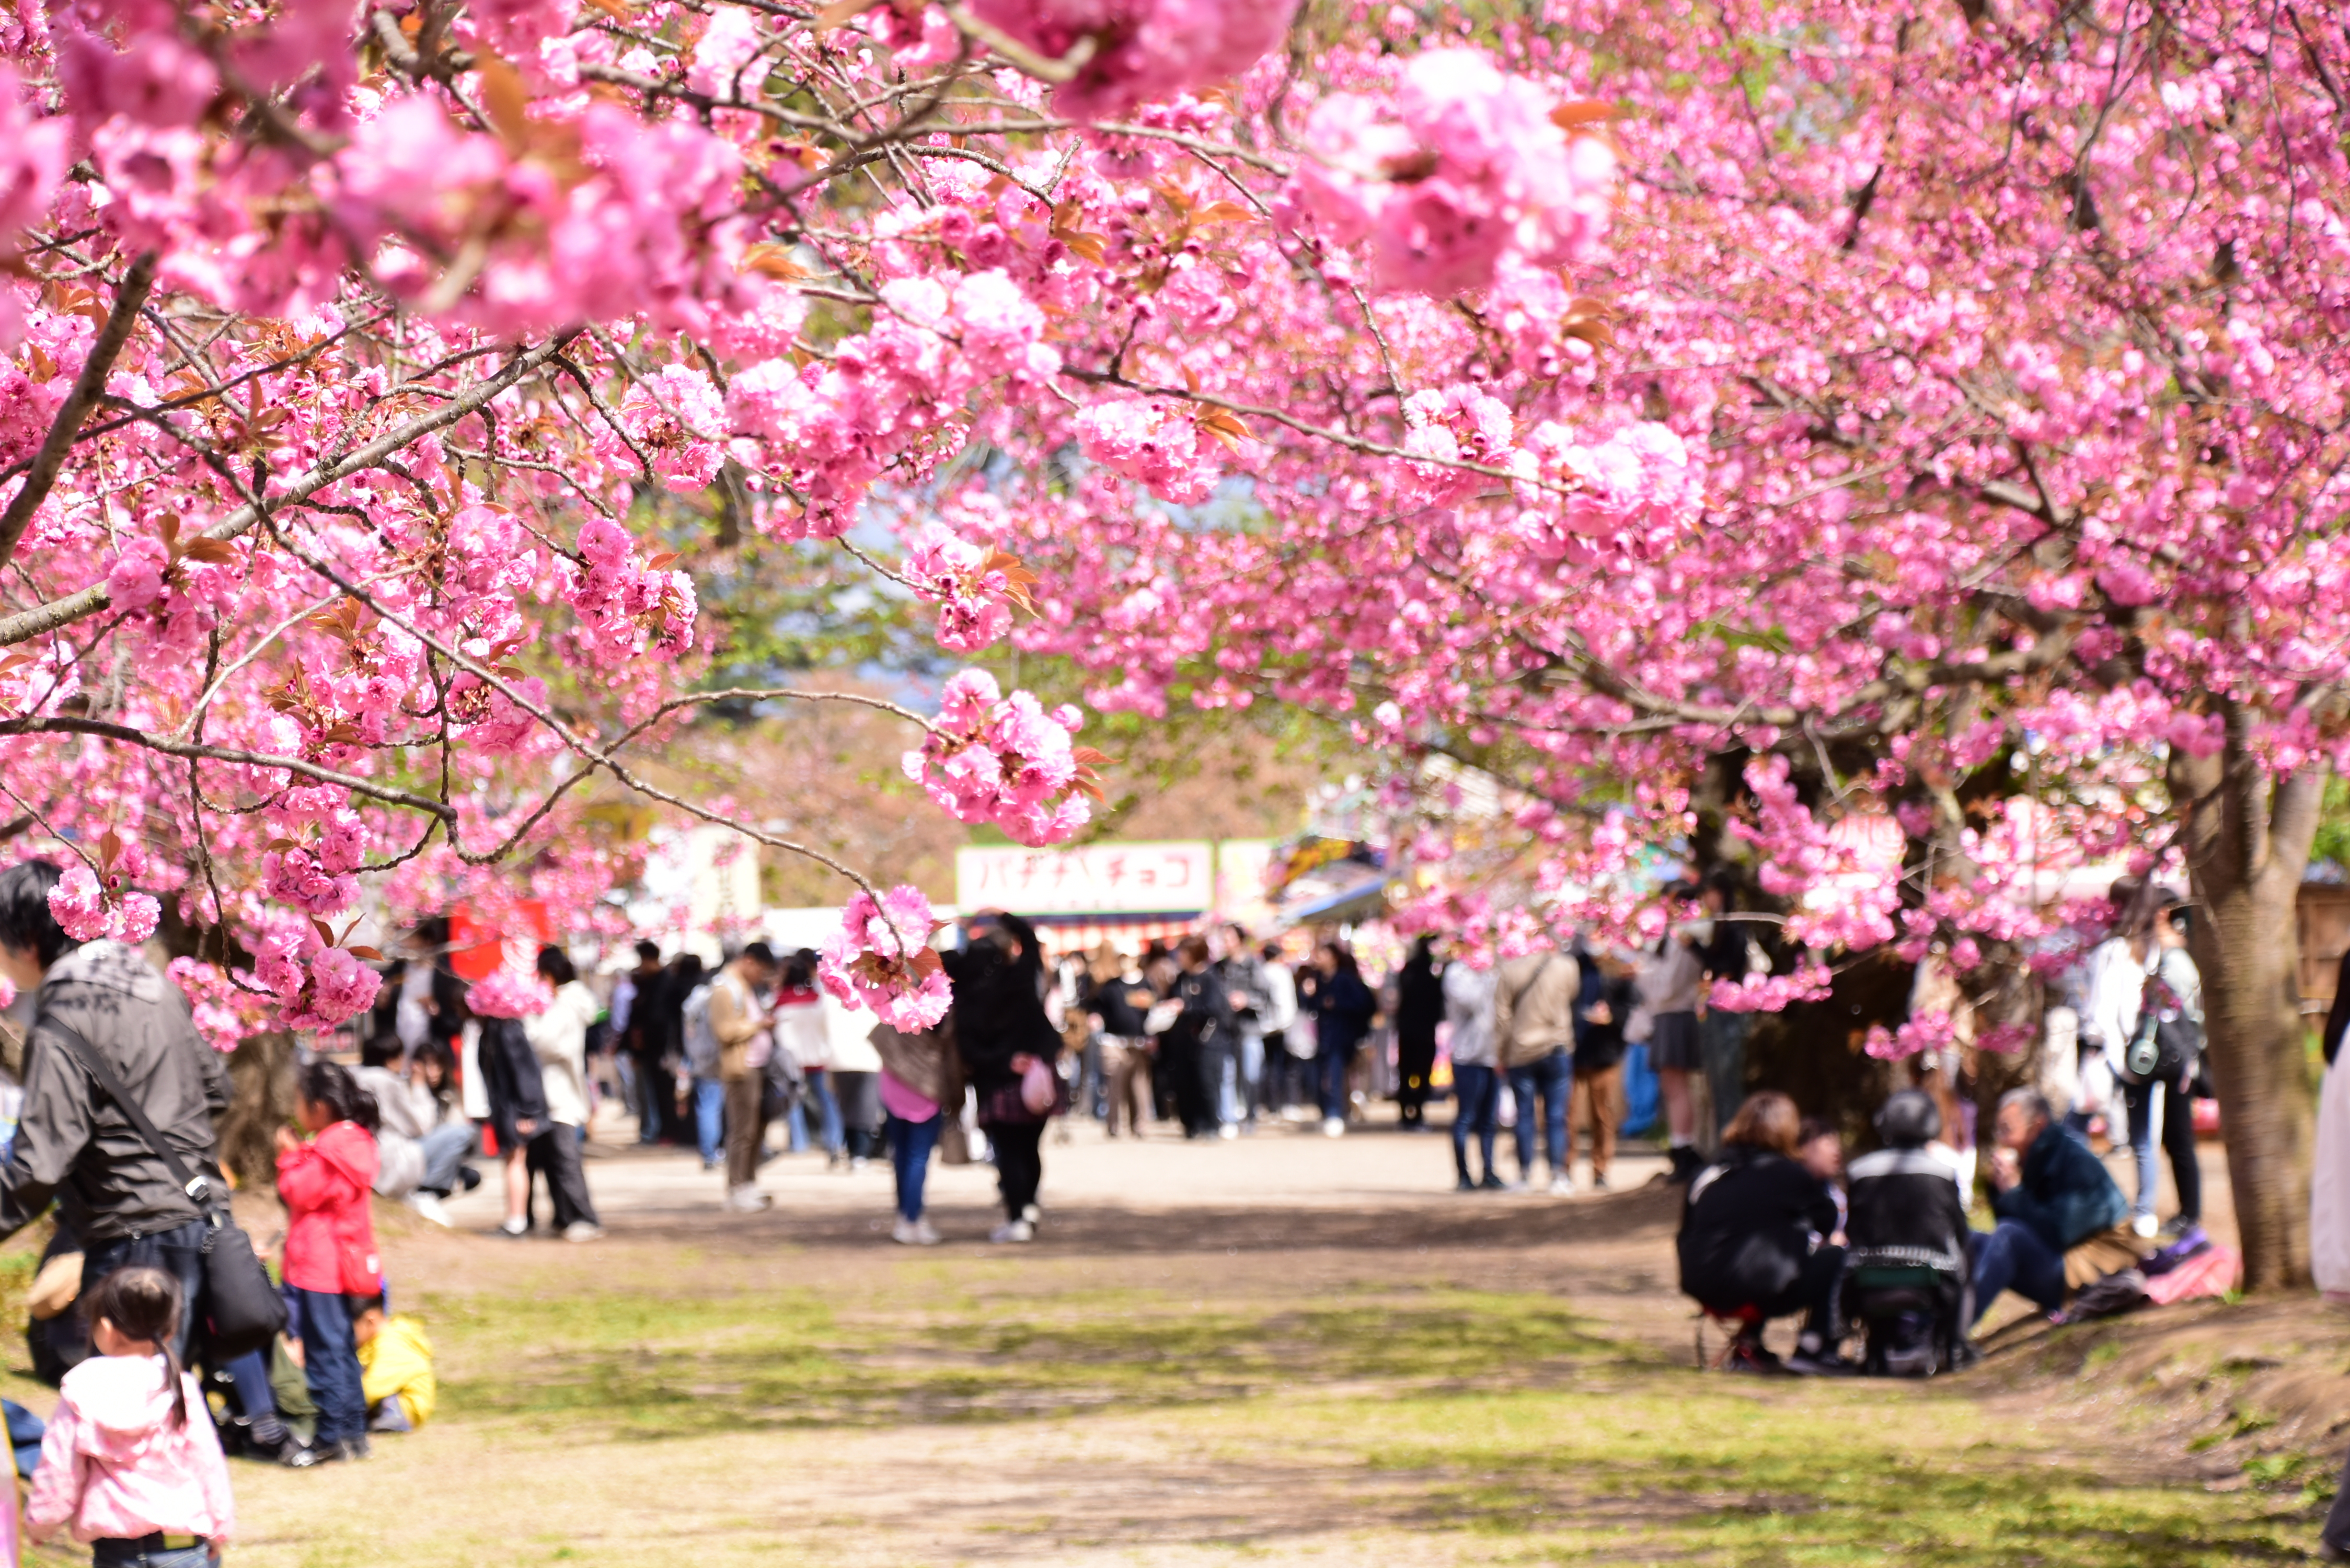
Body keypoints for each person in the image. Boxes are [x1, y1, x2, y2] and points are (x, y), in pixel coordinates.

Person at [0, 861, 232, 1362]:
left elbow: (40, 1163)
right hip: (195, 1217)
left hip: (131, 1238)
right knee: (164, 1401)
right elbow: (217, 1090)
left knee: (123, 1416)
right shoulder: (156, 987)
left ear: (24, 942)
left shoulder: (63, 1016)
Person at [26, 1267, 234, 1565]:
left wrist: (41, 1522)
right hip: (184, 1544)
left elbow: (60, 1469)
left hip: (116, 1550)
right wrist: (220, 1528)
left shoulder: (80, 1389)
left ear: (105, 1328)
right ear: (171, 1330)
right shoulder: (179, 1386)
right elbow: (207, 1463)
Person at [1676, 1091, 1846, 1376]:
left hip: (1703, 1286)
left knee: (1760, 1249)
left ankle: (1749, 1344)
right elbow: (1829, 1223)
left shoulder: (1709, 1173)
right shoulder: (1788, 1174)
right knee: (1835, 1257)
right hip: (1758, 1291)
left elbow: (1686, 1231)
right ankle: (1813, 1346)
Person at [273, 1061, 382, 1466]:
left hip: (320, 1265)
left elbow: (298, 1191)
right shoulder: (352, 1143)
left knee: (323, 1352)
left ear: (318, 1107)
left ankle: (330, 1436)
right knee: (341, 1349)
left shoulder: (328, 1149)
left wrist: (288, 1156)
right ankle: (354, 1433)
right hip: (345, 1262)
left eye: (299, 1102)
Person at [1967, 1088, 2132, 1327]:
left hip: (2085, 1276)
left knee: (2009, 1235)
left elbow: (2058, 1234)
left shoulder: (2076, 1161)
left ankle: (1952, 1338)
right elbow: (2014, 1223)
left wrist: (2015, 1193)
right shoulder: (2034, 1159)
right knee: (1971, 1240)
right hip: (2060, 1266)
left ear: (2038, 1127)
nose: (2002, 1140)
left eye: (2008, 1130)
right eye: (1999, 1130)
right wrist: (1998, 1189)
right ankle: (1931, 1327)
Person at [2092, 893, 2204, 1239]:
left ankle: (2189, 1213)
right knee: (2167, 1138)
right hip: (2171, 1058)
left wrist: (2189, 1057)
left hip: (2179, 1058)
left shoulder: (2174, 960)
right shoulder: (2157, 954)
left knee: (2179, 1139)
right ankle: (2181, 1212)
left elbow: (2185, 1015)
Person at [950, 912, 1061, 1242]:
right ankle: (1028, 1206)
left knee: (1009, 1153)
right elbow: (1028, 941)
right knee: (1030, 1148)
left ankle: (1018, 1217)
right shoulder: (1021, 980)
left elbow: (969, 1050)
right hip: (1038, 1077)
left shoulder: (967, 1000)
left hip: (997, 1082)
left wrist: (1004, 1062)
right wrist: (1001, 915)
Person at [1845, 1090, 1974, 1371]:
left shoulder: (1859, 1171)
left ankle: (1872, 1350)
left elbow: (1852, 1229)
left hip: (1867, 1279)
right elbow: (1960, 1231)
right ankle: (1955, 1346)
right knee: (1965, 1258)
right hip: (1932, 1280)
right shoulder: (1943, 1173)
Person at [523, 946, 604, 1241]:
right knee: (546, 1158)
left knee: (565, 1158)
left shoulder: (567, 1002)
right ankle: (562, 1216)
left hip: (559, 1094)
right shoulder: (571, 1000)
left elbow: (545, 1041)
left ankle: (584, 1218)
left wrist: (528, 1021)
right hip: (551, 1092)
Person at [1492, 943, 1579, 1194]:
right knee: (1556, 1116)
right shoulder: (1567, 966)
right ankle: (1558, 1175)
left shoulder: (1509, 971)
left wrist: (1501, 1054)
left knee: (1525, 1115)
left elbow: (1501, 1017)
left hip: (1521, 1050)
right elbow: (1572, 996)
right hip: (1557, 1046)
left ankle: (1524, 1175)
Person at [709, 943, 781, 1213]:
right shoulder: (725, 989)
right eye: (760, 970)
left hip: (755, 1067)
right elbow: (725, 1031)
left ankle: (748, 1183)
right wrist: (759, 1025)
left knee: (755, 1131)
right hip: (740, 1069)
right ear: (749, 962)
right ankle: (736, 1187)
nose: (760, 977)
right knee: (742, 1131)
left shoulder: (742, 987)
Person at [1638, 912, 1707, 1183]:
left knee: (1677, 1086)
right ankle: (1680, 1145)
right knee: (1671, 1085)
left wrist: (1641, 974)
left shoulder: (1685, 936)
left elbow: (1669, 987)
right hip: (1668, 1015)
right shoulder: (1672, 938)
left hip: (1677, 1014)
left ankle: (1684, 1147)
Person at [873, 1019, 953, 1245]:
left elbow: (879, 1038)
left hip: (894, 1086)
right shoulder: (937, 1011)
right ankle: (912, 1218)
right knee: (917, 1157)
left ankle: (905, 1217)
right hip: (925, 1089)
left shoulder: (893, 1008)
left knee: (902, 1154)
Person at [1695, 869, 1755, 1138]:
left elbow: (1729, 965)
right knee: (1718, 1082)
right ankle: (1724, 1140)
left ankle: (1734, 1139)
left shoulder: (1733, 925)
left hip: (1730, 1009)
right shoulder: (1718, 925)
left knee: (1727, 1078)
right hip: (1716, 1006)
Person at [1570, 946, 1635, 1190]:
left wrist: (1613, 1017)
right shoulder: (1574, 965)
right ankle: (1564, 1167)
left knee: (1603, 1114)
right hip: (1572, 1050)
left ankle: (1601, 1169)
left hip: (1605, 1052)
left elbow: (1630, 1006)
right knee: (1566, 1115)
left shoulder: (1620, 967)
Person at [1166, 938, 1239, 1139]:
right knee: (1185, 1083)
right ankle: (1191, 1125)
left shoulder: (1211, 978)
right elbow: (1171, 999)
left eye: (1183, 953)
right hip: (1184, 1041)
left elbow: (1215, 1008)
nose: (1179, 957)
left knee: (1207, 1083)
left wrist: (1187, 1008)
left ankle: (1211, 1125)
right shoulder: (1181, 978)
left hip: (1209, 1041)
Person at [1442, 955, 1501, 1191]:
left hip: (1492, 1056)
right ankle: (1463, 1175)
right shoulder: (1457, 973)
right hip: (1466, 1057)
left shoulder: (1495, 968)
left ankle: (1489, 1172)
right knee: (1466, 1117)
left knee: (1489, 1120)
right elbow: (1471, 1001)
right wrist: (1485, 975)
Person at [1309, 942, 1377, 1139]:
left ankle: (1335, 1114)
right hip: (1324, 1037)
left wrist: (1337, 1005)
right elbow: (1312, 1006)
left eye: (1322, 953)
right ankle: (1333, 1112)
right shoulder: (1317, 980)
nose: (1318, 958)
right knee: (1325, 1077)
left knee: (1336, 1076)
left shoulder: (1346, 980)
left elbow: (1364, 1004)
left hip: (1343, 1037)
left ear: (1334, 957)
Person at [1086, 947, 1154, 1138]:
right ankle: (1113, 1126)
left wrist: (1153, 1036)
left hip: (1139, 1043)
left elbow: (1154, 1011)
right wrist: (1095, 1018)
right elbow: (1097, 1008)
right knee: (1114, 1085)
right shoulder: (1111, 986)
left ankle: (1140, 1126)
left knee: (1140, 1088)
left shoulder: (1147, 984)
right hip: (1114, 1042)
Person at [352, 1295, 435, 1434]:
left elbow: (371, 1390)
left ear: (370, 1321)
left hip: (404, 1410)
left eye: (352, 1327)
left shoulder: (391, 1344)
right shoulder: (376, 1340)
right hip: (389, 1400)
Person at [619, 941, 670, 1145]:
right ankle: (652, 1129)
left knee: (651, 1093)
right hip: (647, 1049)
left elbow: (657, 1018)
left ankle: (653, 1130)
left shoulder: (661, 982)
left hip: (655, 1049)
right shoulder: (650, 982)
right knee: (646, 1092)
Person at [1393, 936, 1445, 1131]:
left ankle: (1406, 1115)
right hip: (1423, 1031)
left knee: (1406, 1074)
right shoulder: (1432, 975)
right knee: (1422, 1075)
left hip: (1408, 1029)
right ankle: (1417, 1113)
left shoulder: (1409, 971)